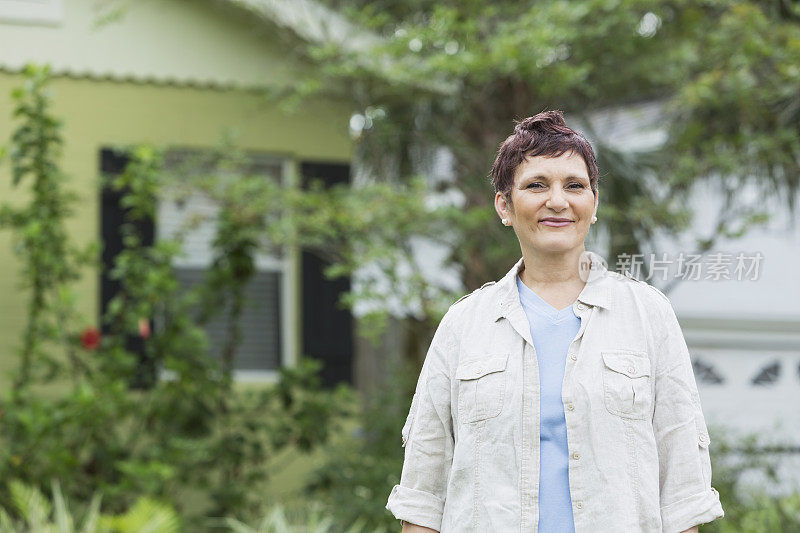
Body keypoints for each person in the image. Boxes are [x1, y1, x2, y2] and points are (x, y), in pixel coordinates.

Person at [385, 110, 724, 532]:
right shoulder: (463, 325)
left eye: (575, 186)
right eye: (537, 185)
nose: (558, 201)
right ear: (504, 205)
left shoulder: (648, 316)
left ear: (594, 204)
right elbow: (423, 492)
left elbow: (683, 491)